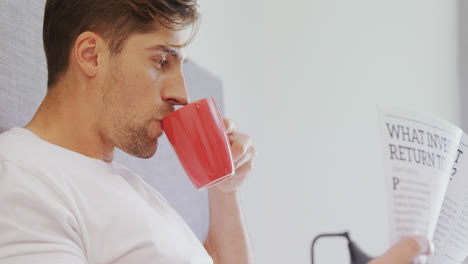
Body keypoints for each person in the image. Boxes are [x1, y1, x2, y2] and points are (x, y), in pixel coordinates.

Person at [0, 0, 431, 263]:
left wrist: (223, 190)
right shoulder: (22, 179)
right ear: (91, 55)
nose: (181, 94)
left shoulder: (126, 186)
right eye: (161, 60)